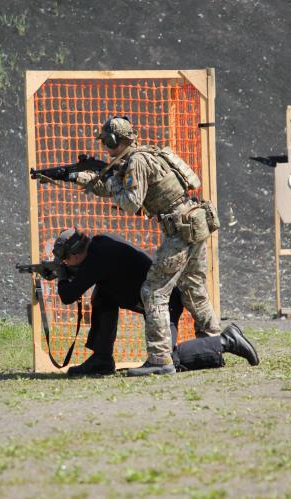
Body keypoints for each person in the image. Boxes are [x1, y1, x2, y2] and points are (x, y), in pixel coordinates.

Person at [70, 116, 221, 376]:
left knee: (153, 292)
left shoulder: (137, 161)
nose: (106, 147)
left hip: (179, 229)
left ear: (119, 140)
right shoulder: (146, 154)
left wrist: (109, 182)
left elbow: (130, 201)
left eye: (108, 142)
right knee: (193, 287)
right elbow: (127, 189)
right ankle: (215, 344)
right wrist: (95, 182)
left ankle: (160, 359)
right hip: (193, 221)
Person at [49, 228, 259, 377]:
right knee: (103, 293)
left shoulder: (96, 260)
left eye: (66, 259)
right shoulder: (101, 244)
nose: (65, 263)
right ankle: (102, 358)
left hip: (165, 304)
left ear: (76, 253)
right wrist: (68, 271)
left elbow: (68, 296)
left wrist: (61, 275)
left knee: (165, 360)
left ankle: (225, 341)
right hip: (159, 297)